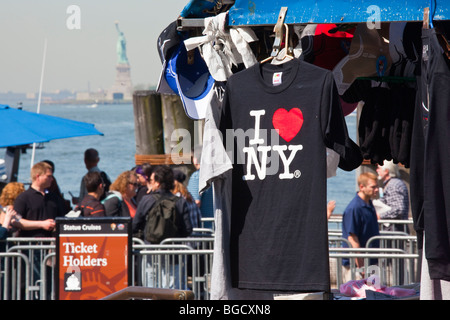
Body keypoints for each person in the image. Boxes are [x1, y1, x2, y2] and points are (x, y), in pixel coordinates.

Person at [133, 165, 192, 241]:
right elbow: (187, 229)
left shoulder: (146, 200)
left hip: (149, 248)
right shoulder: (180, 202)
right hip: (173, 248)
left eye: (151, 180)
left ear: (157, 183)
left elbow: (135, 225)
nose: (150, 183)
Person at [341, 172, 380, 278]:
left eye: (377, 186)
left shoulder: (369, 203)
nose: (376, 189)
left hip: (370, 262)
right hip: (356, 266)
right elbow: (352, 238)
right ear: (362, 187)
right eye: (373, 187)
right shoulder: (354, 208)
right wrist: (362, 267)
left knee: (373, 293)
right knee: (357, 294)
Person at [13, 161, 65, 237]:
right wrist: (41, 224)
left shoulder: (54, 197)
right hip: (29, 245)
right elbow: (16, 221)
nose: (52, 179)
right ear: (38, 177)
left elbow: (62, 218)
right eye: (49, 176)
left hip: (50, 245)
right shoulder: (24, 197)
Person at [375, 160, 410, 232]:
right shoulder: (392, 183)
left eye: (379, 168)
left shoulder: (393, 185)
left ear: (386, 171)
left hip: (395, 230)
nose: (377, 170)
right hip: (393, 228)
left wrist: (380, 216)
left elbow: (399, 209)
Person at [187, 145, 214, 229]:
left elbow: (195, 202)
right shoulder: (216, 175)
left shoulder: (197, 176)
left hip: (204, 228)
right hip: (217, 224)